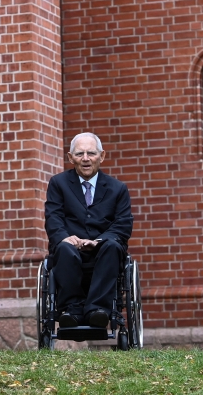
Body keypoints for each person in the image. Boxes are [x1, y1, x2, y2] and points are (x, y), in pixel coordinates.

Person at [44, 132, 133, 329]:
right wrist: (65, 237)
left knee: (112, 246)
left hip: (104, 251)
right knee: (63, 248)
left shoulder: (118, 188)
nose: (85, 158)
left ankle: (98, 311)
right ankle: (71, 310)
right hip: (70, 250)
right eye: (79, 154)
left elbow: (123, 224)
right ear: (70, 158)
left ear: (101, 156)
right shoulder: (58, 184)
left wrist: (98, 241)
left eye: (91, 153)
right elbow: (53, 217)